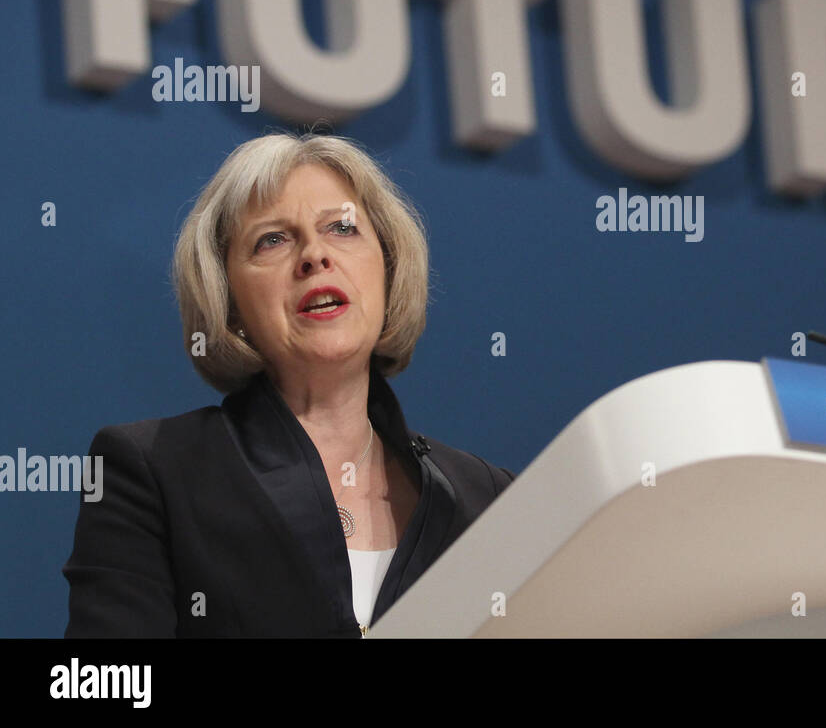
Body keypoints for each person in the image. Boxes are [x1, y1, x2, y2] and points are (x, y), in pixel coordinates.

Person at [63, 131, 515, 637]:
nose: (315, 256)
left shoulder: (487, 497)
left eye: (342, 228)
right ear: (229, 302)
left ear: (388, 269)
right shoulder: (153, 470)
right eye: (272, 239)